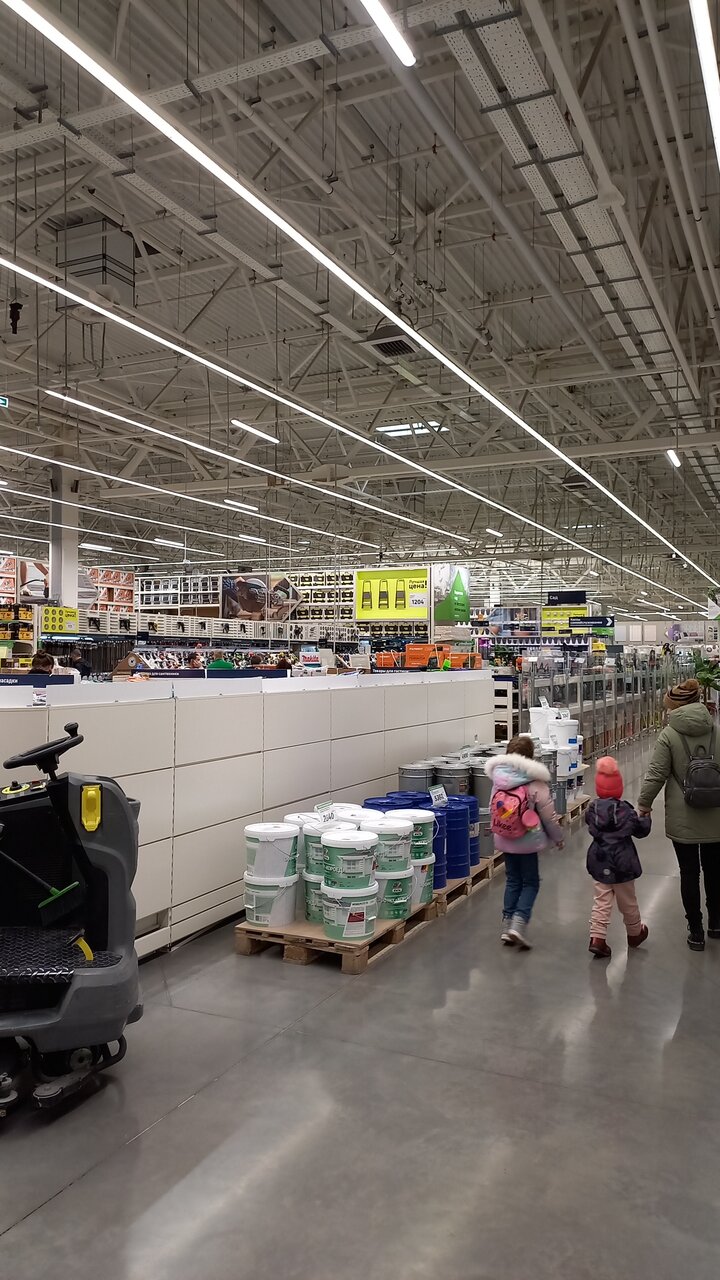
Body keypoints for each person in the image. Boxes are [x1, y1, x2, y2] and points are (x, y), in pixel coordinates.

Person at [638, 677, 720, 951]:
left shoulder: (669, 735)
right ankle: (716, 923)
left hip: (683, 814)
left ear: (674, 707)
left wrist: (644, 804)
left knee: (689, 872)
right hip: (715, 814)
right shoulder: (716, 731)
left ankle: (695, 931)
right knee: (714, 870)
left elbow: (656, 774)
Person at [484, 734, 564, 949]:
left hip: (505, 838)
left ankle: (507, 925)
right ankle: (518, 925)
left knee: (512, 880)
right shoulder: (535, 782)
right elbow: (548, 816)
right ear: (530, 757)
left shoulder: (498, 779)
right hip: (527, 841)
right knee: (530, 882)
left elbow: (494, 808)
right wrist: (558, 837)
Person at [586, 757, 650, 959]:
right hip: (623, 863)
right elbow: (641, 831)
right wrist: (645, 817)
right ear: (619, 788)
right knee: (628, 901)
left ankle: (597, 938)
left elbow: (591, 827)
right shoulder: (627, 812)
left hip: (600, 860)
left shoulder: (592, 810)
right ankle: (635, 933)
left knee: (601, 901)